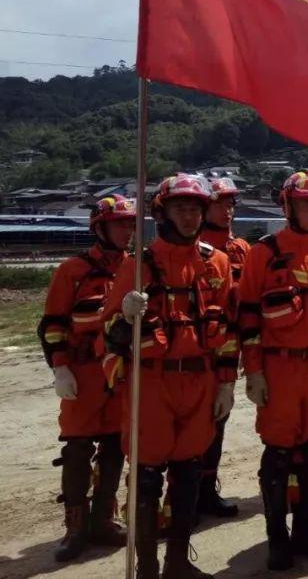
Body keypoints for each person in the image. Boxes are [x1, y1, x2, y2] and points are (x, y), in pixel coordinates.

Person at [103, 174, 235, 579]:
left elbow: (227, 330)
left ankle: (178, 563)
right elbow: (106, 336)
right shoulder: (138, 266)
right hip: (152, 383)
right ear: (163, 213)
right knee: (145, 483)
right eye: (181, 208)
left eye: (195, 208)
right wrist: (124, 316)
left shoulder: (217, 263)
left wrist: (227, 382)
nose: (190, 215)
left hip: (199, 381)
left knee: (188, 477)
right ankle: (147, 568)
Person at [237, 170, 308, 570]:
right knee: (280, 455)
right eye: (306, 203)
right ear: (288, 206)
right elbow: (248, 319)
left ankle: (305, 529)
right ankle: (277, 538)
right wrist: (253, 371)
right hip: (281, 369)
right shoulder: (263, 253)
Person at [39, 195, 136, 563]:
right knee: (78, 450)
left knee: (115, 447)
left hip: (119, 374)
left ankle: (104, 521)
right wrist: (60, 367)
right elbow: (52, 325)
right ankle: (75, 528)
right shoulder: (72, 271)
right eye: (119, 224)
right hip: (82, 374)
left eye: (130, 224)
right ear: (100, 227)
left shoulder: (138, 267)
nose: (127, 230)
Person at [193, 177, 249, 518]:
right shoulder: (193, 249)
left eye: (230, 204)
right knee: (191, 425)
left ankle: (206, 491)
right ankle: (183, 498)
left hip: (229, 348)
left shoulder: (242, 248)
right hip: (194, 350)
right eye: (219, 203)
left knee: (218, 422)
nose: (226, 210)